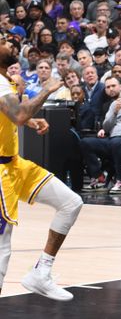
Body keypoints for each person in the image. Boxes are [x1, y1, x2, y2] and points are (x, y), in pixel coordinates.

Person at [0, 33, 83, 301]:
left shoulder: (6, 82)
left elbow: (16, 117)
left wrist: (31, 122)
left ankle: (41, 272)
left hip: (14, 164)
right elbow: (20, 113)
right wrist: (48, 89)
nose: (8, 43)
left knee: (71, 202)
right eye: (2, 42)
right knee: (3, 244)